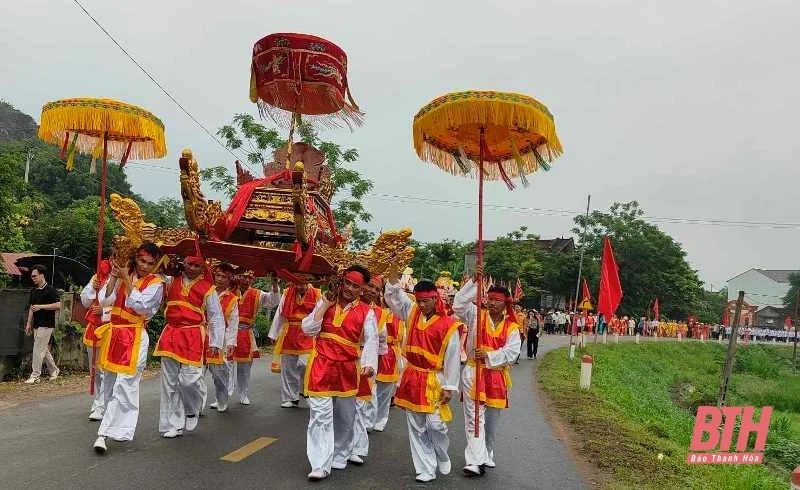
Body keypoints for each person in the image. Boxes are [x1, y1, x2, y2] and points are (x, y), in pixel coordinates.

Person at [301, 265, 379, 481]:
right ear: (341, 281)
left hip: (348, 369)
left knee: (345, 417)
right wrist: (324, 304)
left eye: (356, 286)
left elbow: (372, 339)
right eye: (347, 283)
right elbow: (308, 329)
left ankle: (341, 452)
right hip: (322, 365)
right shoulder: (326, 301)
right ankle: (319, 463)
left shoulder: (367, 311)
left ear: (362, 289)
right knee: (320, 416)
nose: (350, 289)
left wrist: (369, 363)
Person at [384, 274, 461, 483]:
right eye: (418, 300)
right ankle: (425, 468)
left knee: (436, 425)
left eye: (425, 301)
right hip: (412, 375)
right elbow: (394, 297)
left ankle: (441, 452)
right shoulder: (411, 313)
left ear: (436, 299)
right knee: (417, 426)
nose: (421, 305)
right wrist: (392, 275)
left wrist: (451, 386)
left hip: (435, 379)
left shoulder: (449, 324)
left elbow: (453, 357)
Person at [93, 243, 165, 454]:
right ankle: (119, 428)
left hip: (135, 336)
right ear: (136, 258)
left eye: (150, 264)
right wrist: (115, 276)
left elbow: (141, 306)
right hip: (114, 334)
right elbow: (105, 300)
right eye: (142, 261)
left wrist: (124, 278)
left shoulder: (156, 284)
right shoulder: (125, 272)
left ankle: (102, 433)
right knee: (110, 383)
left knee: (126, 384)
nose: (145, 266)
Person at [453, 277, 521, 477]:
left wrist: (490, 356)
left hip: (496, 376)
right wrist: (474, 282)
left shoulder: (512, 327)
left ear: (505, 303)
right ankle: (474, 461)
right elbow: (458, 305)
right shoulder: (475, 315)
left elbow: (512, 352)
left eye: (497, 300)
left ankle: (487, 451)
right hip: (474, 373)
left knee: (490, 423)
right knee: (474, 419)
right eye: (489, 298)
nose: (491, 303)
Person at [153, 255, 225, 438]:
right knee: (169, 383)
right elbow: (155, 272)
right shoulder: (170, 281)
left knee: (189, 380)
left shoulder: (209, 289)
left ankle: (192, 409)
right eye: (189, 264)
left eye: (197, 265)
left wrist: (216, 342)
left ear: (203, 269)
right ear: (183, 264)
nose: (192, 268)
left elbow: (216, 317)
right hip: (170, 334)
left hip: (193, 335)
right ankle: (173, 425)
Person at [351, 275, 389, 463]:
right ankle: (338, 446)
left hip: (365, 362)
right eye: (371, 286)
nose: (373, 291)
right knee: (340, 407)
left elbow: (381, 343)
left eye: (377, 289)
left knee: (360, 405)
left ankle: (357, 448)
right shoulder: (345, 303)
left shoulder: (381, 314)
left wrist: (374, 365)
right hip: (340, 359)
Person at [268, 279, 320, 408]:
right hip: (289, 332)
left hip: (307, 334)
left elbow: (321, 315)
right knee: (288, 367)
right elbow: (279, 313)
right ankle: (291, 398)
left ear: (307, 283)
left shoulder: (317, 293)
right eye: (297, 283)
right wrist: (274, 333)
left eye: (303, 283)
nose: (300, 286)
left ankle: (305, 391)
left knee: (306, 364)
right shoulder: (287, 293)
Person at [234, 271, 280, 405]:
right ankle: (222, 396)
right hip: (227, 333)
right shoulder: (228, 289)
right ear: (238, 275)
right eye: (244, 276)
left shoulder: (257, 293)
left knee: (245, 367)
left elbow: (274, 301)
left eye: (250, 277)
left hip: (245, 333)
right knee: (225, 366)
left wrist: (275, 282)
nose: (247, 280)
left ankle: (243, 393)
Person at [80, 260, 112, 420]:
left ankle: (105, 404)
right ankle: (99, 401)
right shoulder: (97, 276)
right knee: (95, 370)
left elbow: (128, 306)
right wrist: (93, 286)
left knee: (107, 370)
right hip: (94, 329)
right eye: (114, 256)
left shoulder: (127, 278)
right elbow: (85, 301)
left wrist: (105, 311)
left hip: (113, 330)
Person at [205, 263, 239, 413]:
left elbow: (233, 322)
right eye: (217, 275)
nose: (220, 279)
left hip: (220, 338)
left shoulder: (232, 298)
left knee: (219, 373)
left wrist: (231, 342)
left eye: (224, 277)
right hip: (199, 334)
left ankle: (221, 399)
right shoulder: (205, 290)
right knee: (195, 372)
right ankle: (196, 405)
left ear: (229, 279)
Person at [24, 264, 62, 384]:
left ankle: (35, 376)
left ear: (42, 275)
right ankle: (54, 370)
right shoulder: (34, 291)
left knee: (37, 349)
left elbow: (58, 305)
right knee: (42, 349)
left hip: (47, 324)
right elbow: (32, 307)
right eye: (32, 276)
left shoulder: (50, 290)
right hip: (36, 324)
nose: (33, 278)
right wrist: (28, 323)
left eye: (35, 276)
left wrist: (41, 307)